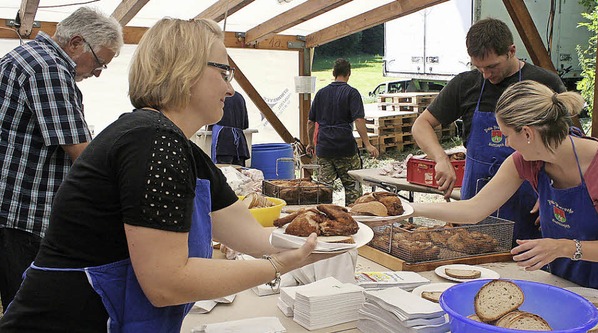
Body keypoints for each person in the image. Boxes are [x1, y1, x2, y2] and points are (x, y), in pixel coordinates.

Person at [0, 18, 338, 332]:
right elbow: (167, 283)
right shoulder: (150, 140)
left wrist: (321, 241)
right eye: (224, 73)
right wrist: (279, 266)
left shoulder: (181, 147)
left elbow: (252, 236)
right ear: (185, 70)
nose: (231, 90)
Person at [412, 80, 598, 300]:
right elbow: (474, 209)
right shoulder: (526, 162)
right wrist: (411, 209)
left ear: (528, 134)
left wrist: (562, 247)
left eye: (507, 135)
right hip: (565, 285)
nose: (507, 143)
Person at [0, 7, 123, 312]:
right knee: (31, 310)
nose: (96, 73)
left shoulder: (24, 56)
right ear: (76, 42)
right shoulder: (48, 67)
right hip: (20, 215)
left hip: (9, 211)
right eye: (99, 63)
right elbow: (82, 153)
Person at [411, 18, 566, 245]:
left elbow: (564, 144)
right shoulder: (465, 84)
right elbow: (421, 125)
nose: (485, 74)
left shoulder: (543, 82)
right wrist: (441, 159)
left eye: (492, 66)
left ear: (511, 51)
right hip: (476, 194)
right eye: (478, 67)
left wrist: (554, 193)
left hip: (530, 199)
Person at [306, 58, 379, 206]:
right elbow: (359, 120)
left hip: (324, 148)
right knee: (353, 188)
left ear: (334, 73)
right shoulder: (352, 93)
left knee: (324, 190)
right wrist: (367, 144)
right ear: (348, 73)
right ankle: (354, 221)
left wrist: (310, 143)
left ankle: (324, 219)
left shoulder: (320, 93)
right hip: (345, 148)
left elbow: (310, 122)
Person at [210, 91, 250, 166]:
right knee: (239, 173)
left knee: (222, 170)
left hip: (223, 139)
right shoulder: (240, 97)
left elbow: (209, 119)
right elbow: (245, 124)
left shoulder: (219, 96)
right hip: (240, 141)